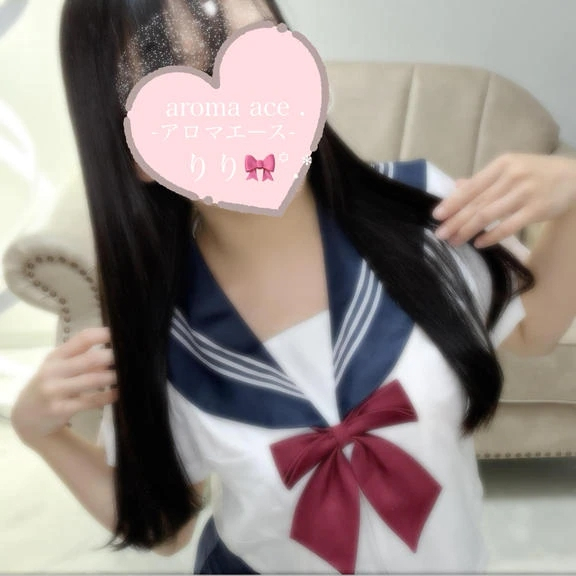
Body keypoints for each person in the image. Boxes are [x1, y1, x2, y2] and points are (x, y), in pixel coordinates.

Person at [9, 0, 576, 573]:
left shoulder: (421, 212)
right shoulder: (162, 333)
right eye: (183, 84)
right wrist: (41, 433)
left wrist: (573, 196)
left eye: (251, 48)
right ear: (134, 149)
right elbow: (165, 528)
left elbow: (532, 328)